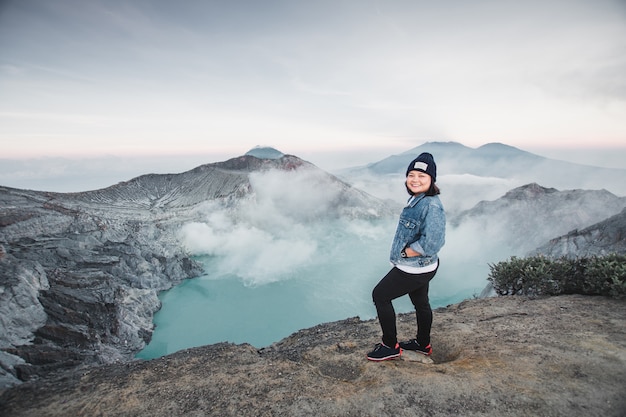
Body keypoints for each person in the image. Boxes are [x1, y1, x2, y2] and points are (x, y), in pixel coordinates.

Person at [367, 152, 446, 361]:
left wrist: (406, 252)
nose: (415, 180)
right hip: (423, 267)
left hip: (414, 267)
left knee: (380, 296)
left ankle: (390, 345)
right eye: (412, 174)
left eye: (422, 176)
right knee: (421, 303)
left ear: (431, 180)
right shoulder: (418, 199)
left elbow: (433, 242)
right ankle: (422, 344)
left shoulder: (431, 205)